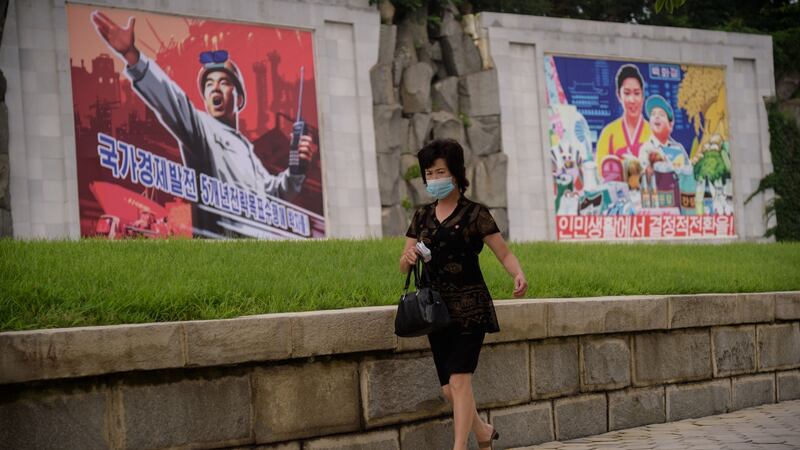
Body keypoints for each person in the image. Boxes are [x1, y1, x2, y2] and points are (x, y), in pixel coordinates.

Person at [90, 12, 317, 236]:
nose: (215, 88)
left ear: (238, 98)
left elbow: (273, 194)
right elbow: (174, 102)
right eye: (209, 84)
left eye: (224, 82)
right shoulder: (202, 129)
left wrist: (297, 170)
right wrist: (133, 57)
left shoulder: (247, 150)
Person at [399, 139, 528, 450]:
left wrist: (518, 274)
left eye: (440, 171)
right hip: (436, 311)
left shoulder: (475, 214)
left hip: (471, 307)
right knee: (449, 390)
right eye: (429, 173)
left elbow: (504, 253)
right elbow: (404, 265)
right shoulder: (421, 216)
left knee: (460, 381)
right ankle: (483, 432)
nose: (434, 178)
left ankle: (460, 447)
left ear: (455, 173)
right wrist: (408, 260)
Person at [595, 64, 651, 182]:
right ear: (619, 95)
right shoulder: (608, 133)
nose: (632, 100)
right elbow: (599, 174)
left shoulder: (652, 133)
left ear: (643, 96)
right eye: (626, 93)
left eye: (636, 93)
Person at [638, 94, 688, 172]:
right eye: (653, 114)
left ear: (670, 125)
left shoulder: (679, 148)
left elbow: (688, 175)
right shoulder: (646, 149)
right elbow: (644, 179)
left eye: (661, 114)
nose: (656, 117)